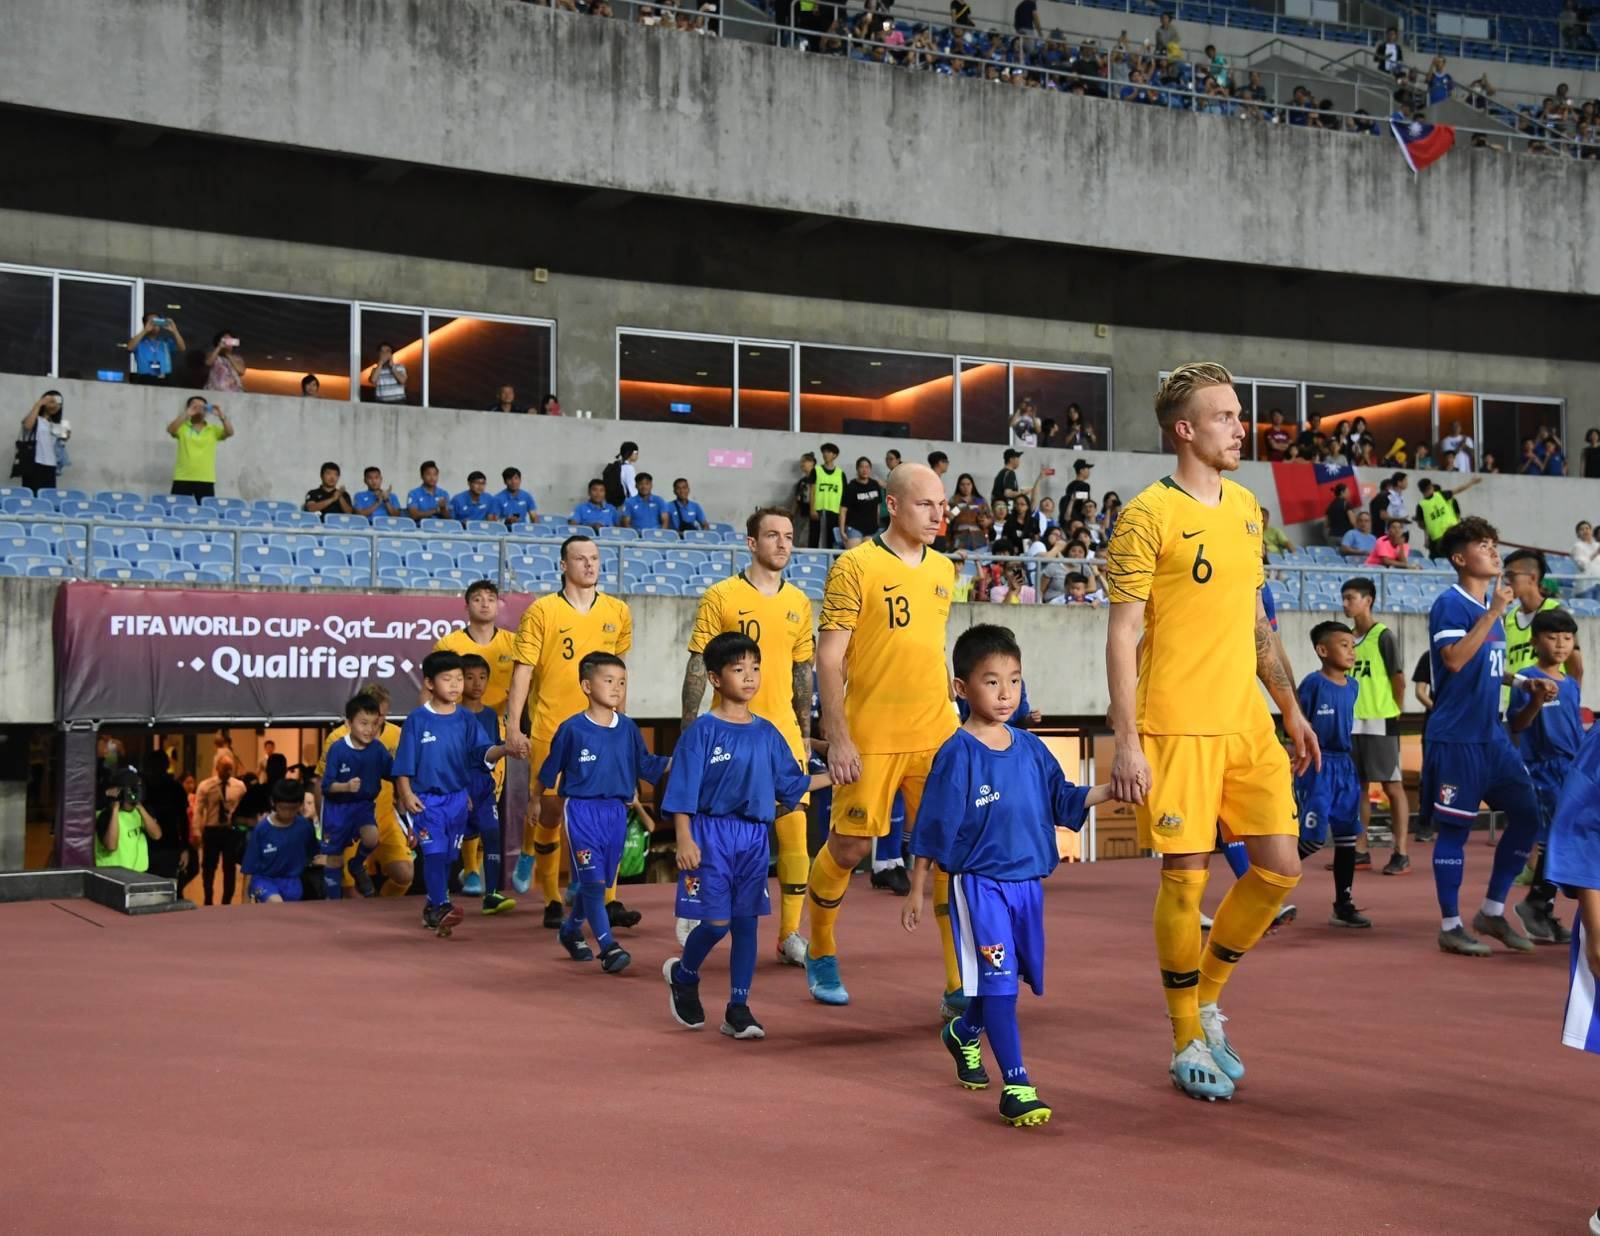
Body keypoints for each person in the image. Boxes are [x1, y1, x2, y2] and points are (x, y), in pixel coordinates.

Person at [1105, 362, 1315, 1103]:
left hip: (1246, 721)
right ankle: (1183, 1034)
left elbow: (1256, 623)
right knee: (1185, 876)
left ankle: (1207, 999)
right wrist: (1126, 739)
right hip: (1178, 723)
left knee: (1281, 868)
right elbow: (1123, 634)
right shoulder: (1146, 515)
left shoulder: (1249, 508)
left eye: (1239, 414)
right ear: (1185, 429)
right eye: (1225, 416)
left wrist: (1287, 705)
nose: (1241, 428)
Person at [903, 624, 1106, 1127]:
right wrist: (916, 888)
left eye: (1014, 680)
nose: (1005, 692)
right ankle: (1017, 1083)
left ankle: (964, 1034)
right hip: (979, 887)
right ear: (961, 689)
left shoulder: (1032, 749)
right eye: (991, 681)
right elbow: (932, 824)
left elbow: (1066, 799)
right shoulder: (956, 754)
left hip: (1027, 887)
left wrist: (1113, 788)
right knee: (1001, 986)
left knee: (1006, 978)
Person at [805, 463, 960, 1012]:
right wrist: (839, 736)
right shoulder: (855, 566)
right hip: (871, 733)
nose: (939, 515)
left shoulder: (946, 569)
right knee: (850, 848)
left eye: (943, 505)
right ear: (892, 505)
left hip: (937, 733)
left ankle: (957, 983)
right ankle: (819, 948)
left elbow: (931, 646)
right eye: (927, 505)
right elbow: (828, 657)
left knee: (948, 855)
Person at [663, 632, 830, 1040]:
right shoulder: (702, 733)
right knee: (717, 923)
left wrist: (840, 778)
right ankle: (684, 974)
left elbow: (793, 784)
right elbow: (682, 790)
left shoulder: (767, 732)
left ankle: (738, 1007)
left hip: (754, 838)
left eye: (755, 668)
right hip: (711, 834)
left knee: (746, 924)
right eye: (739, 670)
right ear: (717, 679)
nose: (750, 677)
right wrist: (685, 838)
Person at [682, 508, 815, 965]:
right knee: (717, 830)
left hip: (783, 735)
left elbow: (803, 672)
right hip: (730, 737)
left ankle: (790, 933)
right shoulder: (722, 595)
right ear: (751, 542)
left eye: (789, 536)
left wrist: (806, 733)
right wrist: (687, 729)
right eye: (773, 535)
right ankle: (697, 905)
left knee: (795, 834)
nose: (783, 544)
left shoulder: (800, 600)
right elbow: (700, 662)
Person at [1422, 516, 1553, 956]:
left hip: (1492, 737)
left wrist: (1519, 683)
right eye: (1483, 545)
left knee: (1529, 818)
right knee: (1455, 830)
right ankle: (1451, 924)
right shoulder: (1451, 603)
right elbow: (1455, 661)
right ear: (1460, 559)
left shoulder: (1488, 610)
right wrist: (1496, 610)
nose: (1494, 551)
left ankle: (1492, 912)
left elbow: (1485, 666)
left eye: (1495, 544)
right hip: (1456, 738)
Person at [505, 536, 635, 928]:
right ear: (564, 565)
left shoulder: (618, 611)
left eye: (594, 558)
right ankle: (550, 897)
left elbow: (620, 674)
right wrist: (514, 726)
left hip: (603, 731)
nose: (589, 565)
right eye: (580, 559)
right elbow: (522, 672)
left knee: (607, 810)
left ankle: (609, 900)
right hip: (553, 728)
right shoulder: (542, 611)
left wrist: (623, 726)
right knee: (551, 811)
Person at [539, 653, 670, 972]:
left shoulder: (627, 728)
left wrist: (681, 759)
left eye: (622, 682)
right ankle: (608, 946)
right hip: (582, 810)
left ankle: (570, 931)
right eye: (608, 680)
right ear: (586, 685)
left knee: (596, 881)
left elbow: (646, 765)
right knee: (594, 884)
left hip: (616, 813)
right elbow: (548, 773)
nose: (617, 688)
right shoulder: (571, 729)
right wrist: (534, 801)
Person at [392, 651, 510, 936]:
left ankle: (433, 905)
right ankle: (442, 904)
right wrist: (406, 794)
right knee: (432, 853)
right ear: (430, 683)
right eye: (448, 679)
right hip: (427, 800)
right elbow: (403, 764)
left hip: (458, 799)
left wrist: (506, 747)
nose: (456, 685)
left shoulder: (467, 720)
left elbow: (483, 753)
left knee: (446, 856)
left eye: (459, 678)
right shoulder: (417, 720)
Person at [433, 579, 519, 896]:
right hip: (458, 731)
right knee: (462, 803)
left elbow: (525, 684)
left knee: (487, 801)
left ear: (498, 605)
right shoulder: (448, 643)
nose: (485, 603)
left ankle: (481, 873)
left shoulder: (513, 643)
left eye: (491, 598)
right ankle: (469, 870)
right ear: (466, 605)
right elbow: (432, 686)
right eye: (478, 598)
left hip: (496, 729)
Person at [1506, 608, 1581, 945]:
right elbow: (1518, 725)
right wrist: (1536, 699)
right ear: (1535, 641)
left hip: (1572, 770)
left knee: (1565, 838)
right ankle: (1538, 902)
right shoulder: (1527, 678)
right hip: (1541, 770)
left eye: (1567, 638)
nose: (1561, 644)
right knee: (1557, 838)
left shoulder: (1571, 684)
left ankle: (1541, 903)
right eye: (1553, 637)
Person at [1295, 622, 1370, 927]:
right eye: (1343, 645)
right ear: (1322, 651)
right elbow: (1296, 722)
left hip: (1344, 767)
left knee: (1347, 839)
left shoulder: (1354, 686)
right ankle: (1263, 879)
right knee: (1311, 841)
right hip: (1317, 765)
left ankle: (1343, 904)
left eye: (1353, 645)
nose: (1351, 651)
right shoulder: (1312, 684)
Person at [314, 682, 414, 898]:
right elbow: (321, 782)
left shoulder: (396, 736)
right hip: (344, 817)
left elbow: (400, 777)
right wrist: (327, 825)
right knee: (350, 890)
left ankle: (380, 911)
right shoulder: (337, 740)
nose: (374, 728)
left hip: (383, 818)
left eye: (381, 720)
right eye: (367, 721)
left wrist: (409, 817)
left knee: (405, 875)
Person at [1341, 578, 1411, 876]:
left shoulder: (1383, 635)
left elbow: (1398, 677)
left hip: (1381, 720)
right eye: (1343, 598)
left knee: (1392, 786)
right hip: (1352, 722)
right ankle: (1359, 850)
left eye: (1350, 598)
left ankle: (1401, 852)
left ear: (1367, 600)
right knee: (1358, 788)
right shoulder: (1344, 638)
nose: (1345, 603)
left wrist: (1395, 709)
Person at [458, 654, 515, 915]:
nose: (476, 683)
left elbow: (490, 750)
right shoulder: (453, 715)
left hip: (484, 785)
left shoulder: (491, 715)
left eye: (482, 677)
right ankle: (439, 896)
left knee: (492, 835)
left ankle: (491, 893)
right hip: (458, 784)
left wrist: (507, 750)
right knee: (453, 840)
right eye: (469, 677)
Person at [1504, 549, 1584, 690]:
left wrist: (1569, 701)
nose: (1506, 581)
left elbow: (1575, 667)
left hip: (1550, 704)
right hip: (1517, 706)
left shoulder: (1556, 611)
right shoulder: (1508, 618)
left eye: (1511, 576)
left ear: (1532, 578)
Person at [239, 781, 320, 903]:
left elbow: (314, 853)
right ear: (273, 803)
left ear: (300, 805)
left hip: (292, 882)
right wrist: (244, 902)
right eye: (283, 808)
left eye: (292, 809)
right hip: (263, 881)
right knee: (276, 902)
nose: (287, 813)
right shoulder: (262, 829)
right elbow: (249, 868)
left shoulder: (305, 827)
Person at [195, 754, 247, 905]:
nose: (227, 772)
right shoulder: (206, 786)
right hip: (212, 830)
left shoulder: (239, 787)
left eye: (230, 769)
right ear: (217, 768)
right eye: (224, 769)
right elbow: (198, 810)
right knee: (209, 867)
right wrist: (197, 832)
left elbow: (244, 808)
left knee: (229, 868)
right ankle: (208, 898)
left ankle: (226, 900)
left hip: (230, 831)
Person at [166, 397, 234, 501]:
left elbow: (229, 432)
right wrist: (186, 414)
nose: (198, 409)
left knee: (205, 512)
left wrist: (222, 416)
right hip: (182, 478)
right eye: (195, 406)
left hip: (205, 479)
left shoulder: (212, 429)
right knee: (178, 509)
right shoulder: (182, 427)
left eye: (202, 407)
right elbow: (170, 430)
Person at [95, 767, 161, 872]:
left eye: (136, 790)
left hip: (137, 876)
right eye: (129, 790)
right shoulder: (105, 814)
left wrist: (140, 807)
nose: (132, 795)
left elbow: (157, 835)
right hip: (112, 877)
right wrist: (115, 808)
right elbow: (111, 846)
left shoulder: (140, 812)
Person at [1415, 475, 1481, 558]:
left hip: (1436, 539)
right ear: (1431, 486)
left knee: (1437, 562)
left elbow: (1421, 525)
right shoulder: (1441, 495)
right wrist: (1472, 482)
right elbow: (1459, 489)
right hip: (1451, 534)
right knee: (1455, 558)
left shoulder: (1421, 505)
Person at [18, 391, 70, 493]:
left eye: (58, 403)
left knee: (47, 495)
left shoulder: (56, 424)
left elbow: (63, 438)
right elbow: (27, 425)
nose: (55, 405)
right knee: (33, 494)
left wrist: (66, 435)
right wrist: (39, 404)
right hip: (34, 464)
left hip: (51, 465)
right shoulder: (36, 419)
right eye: (51, 402)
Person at [127, 312, 186, 385]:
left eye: (157, 322)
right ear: (145, 324)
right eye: (151, 322)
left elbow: (182, 348)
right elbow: (129, 347)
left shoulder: (165, 341)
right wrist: (145, 331)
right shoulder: (139, 341)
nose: (154, 325)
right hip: (145, 378)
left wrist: (175, 331)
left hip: (164, 378)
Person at [840, 456, 883, 543]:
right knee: (853, 555)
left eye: (867, 467)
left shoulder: (875, 485)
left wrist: (878, 524)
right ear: (857, 469)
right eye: (861, 467)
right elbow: (843, 510)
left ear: (870, 469)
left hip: (872, 528)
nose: (864, 470)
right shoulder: (851, 487)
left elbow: (878, 506)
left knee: (869, 554)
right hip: (855, 527)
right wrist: (841, 530)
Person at [810, 443, 844, 549]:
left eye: (828, 452)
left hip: (834, 512)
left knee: (832, 541)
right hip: (818, 511)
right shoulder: (816, 470)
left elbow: (843, 496)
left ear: (835, 455)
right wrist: (812, 509)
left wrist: (841, 514)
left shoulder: (840, 473)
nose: (825, 454)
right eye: (824, 452)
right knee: (814, 539)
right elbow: (812, 491)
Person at [603, 441, 640, 508]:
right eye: (636, 453)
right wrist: (637, 505)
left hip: (615, 503)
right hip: (626, 504)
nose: (637, 455)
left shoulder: (618, 466)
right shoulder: (629, 468)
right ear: (631, 453)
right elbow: (632, 489)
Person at [791, 452, 816, 547]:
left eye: (804, 461)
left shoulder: (818, 479)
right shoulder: (802, 482)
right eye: (801, 462)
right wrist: (791, 515)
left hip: (814, 515)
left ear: (812, 463)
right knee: (799, 538)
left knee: (806, 539)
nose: (802, 464)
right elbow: (797, 499)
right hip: (802, 514)